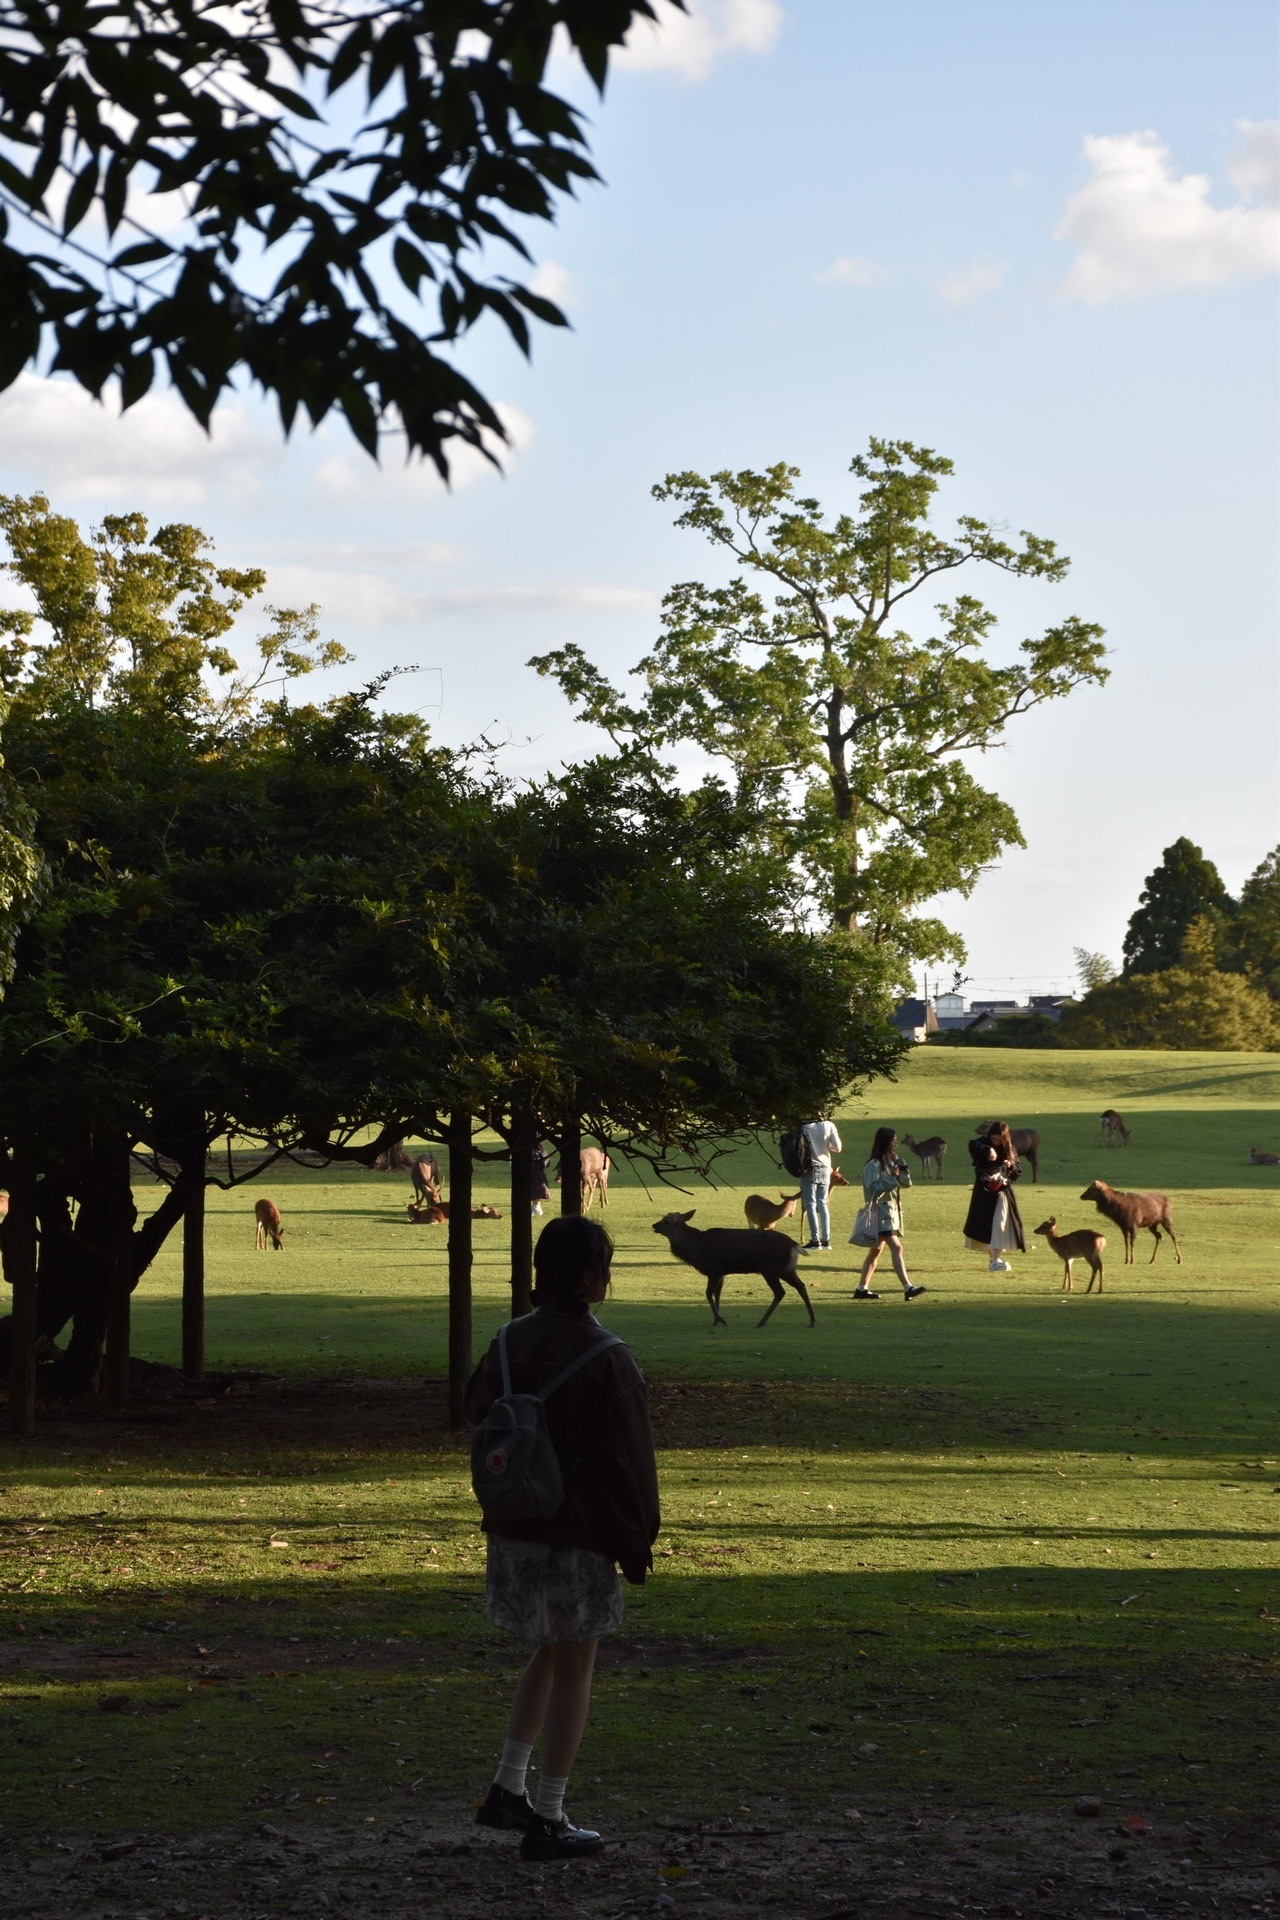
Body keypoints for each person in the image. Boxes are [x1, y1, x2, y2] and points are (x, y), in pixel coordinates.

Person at [467, 1216, 660, 1862]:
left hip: (513, 1525)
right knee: (577, 1663)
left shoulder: (502, 1343)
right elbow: (631, 1463)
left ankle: (507, 1784)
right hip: (577, 1535)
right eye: (605, 1266)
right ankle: (547, 1813)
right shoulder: (608, 1358)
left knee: (552, 1649)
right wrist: (637, 1541)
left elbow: (478, 1411)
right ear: (585, 1278)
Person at [852, 1127, 926, 1301]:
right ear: (885, 1142)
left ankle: (861, 1288)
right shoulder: (873, 1166)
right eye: (893, 1139)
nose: (896, 1143)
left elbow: (907, 1184)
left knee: (875, 1252)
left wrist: (902, 1168)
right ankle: (908, 1287)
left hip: (890, 1214)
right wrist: (891, 1178)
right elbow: (872, 1191)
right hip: (880, 1214)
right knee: (897, 1248)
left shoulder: (893, 1161)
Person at [962, 1120, 1026, 1272]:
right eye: (994, 1139)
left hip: (1002, 1193)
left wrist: (1010, 1165)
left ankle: (995, 1260)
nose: (997, 1142)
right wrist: (989, 1149)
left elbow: (1018, 1170)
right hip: (984, 1192)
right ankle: (994, 1260)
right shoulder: (981, 1144)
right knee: (987, 1225)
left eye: (1000, 1140)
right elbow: (973, 1145)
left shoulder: (1009, 1149)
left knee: (999, 1224)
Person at [800, 1109, 843, 1251]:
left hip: (810, 1168)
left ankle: (815, 1240)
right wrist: (825, 1146)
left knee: (810, 1204)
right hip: (826, 1168)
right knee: (822, 1204)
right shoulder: (829, 1125)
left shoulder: (805, 1127)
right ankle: (826, 1241)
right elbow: (837, 1148)